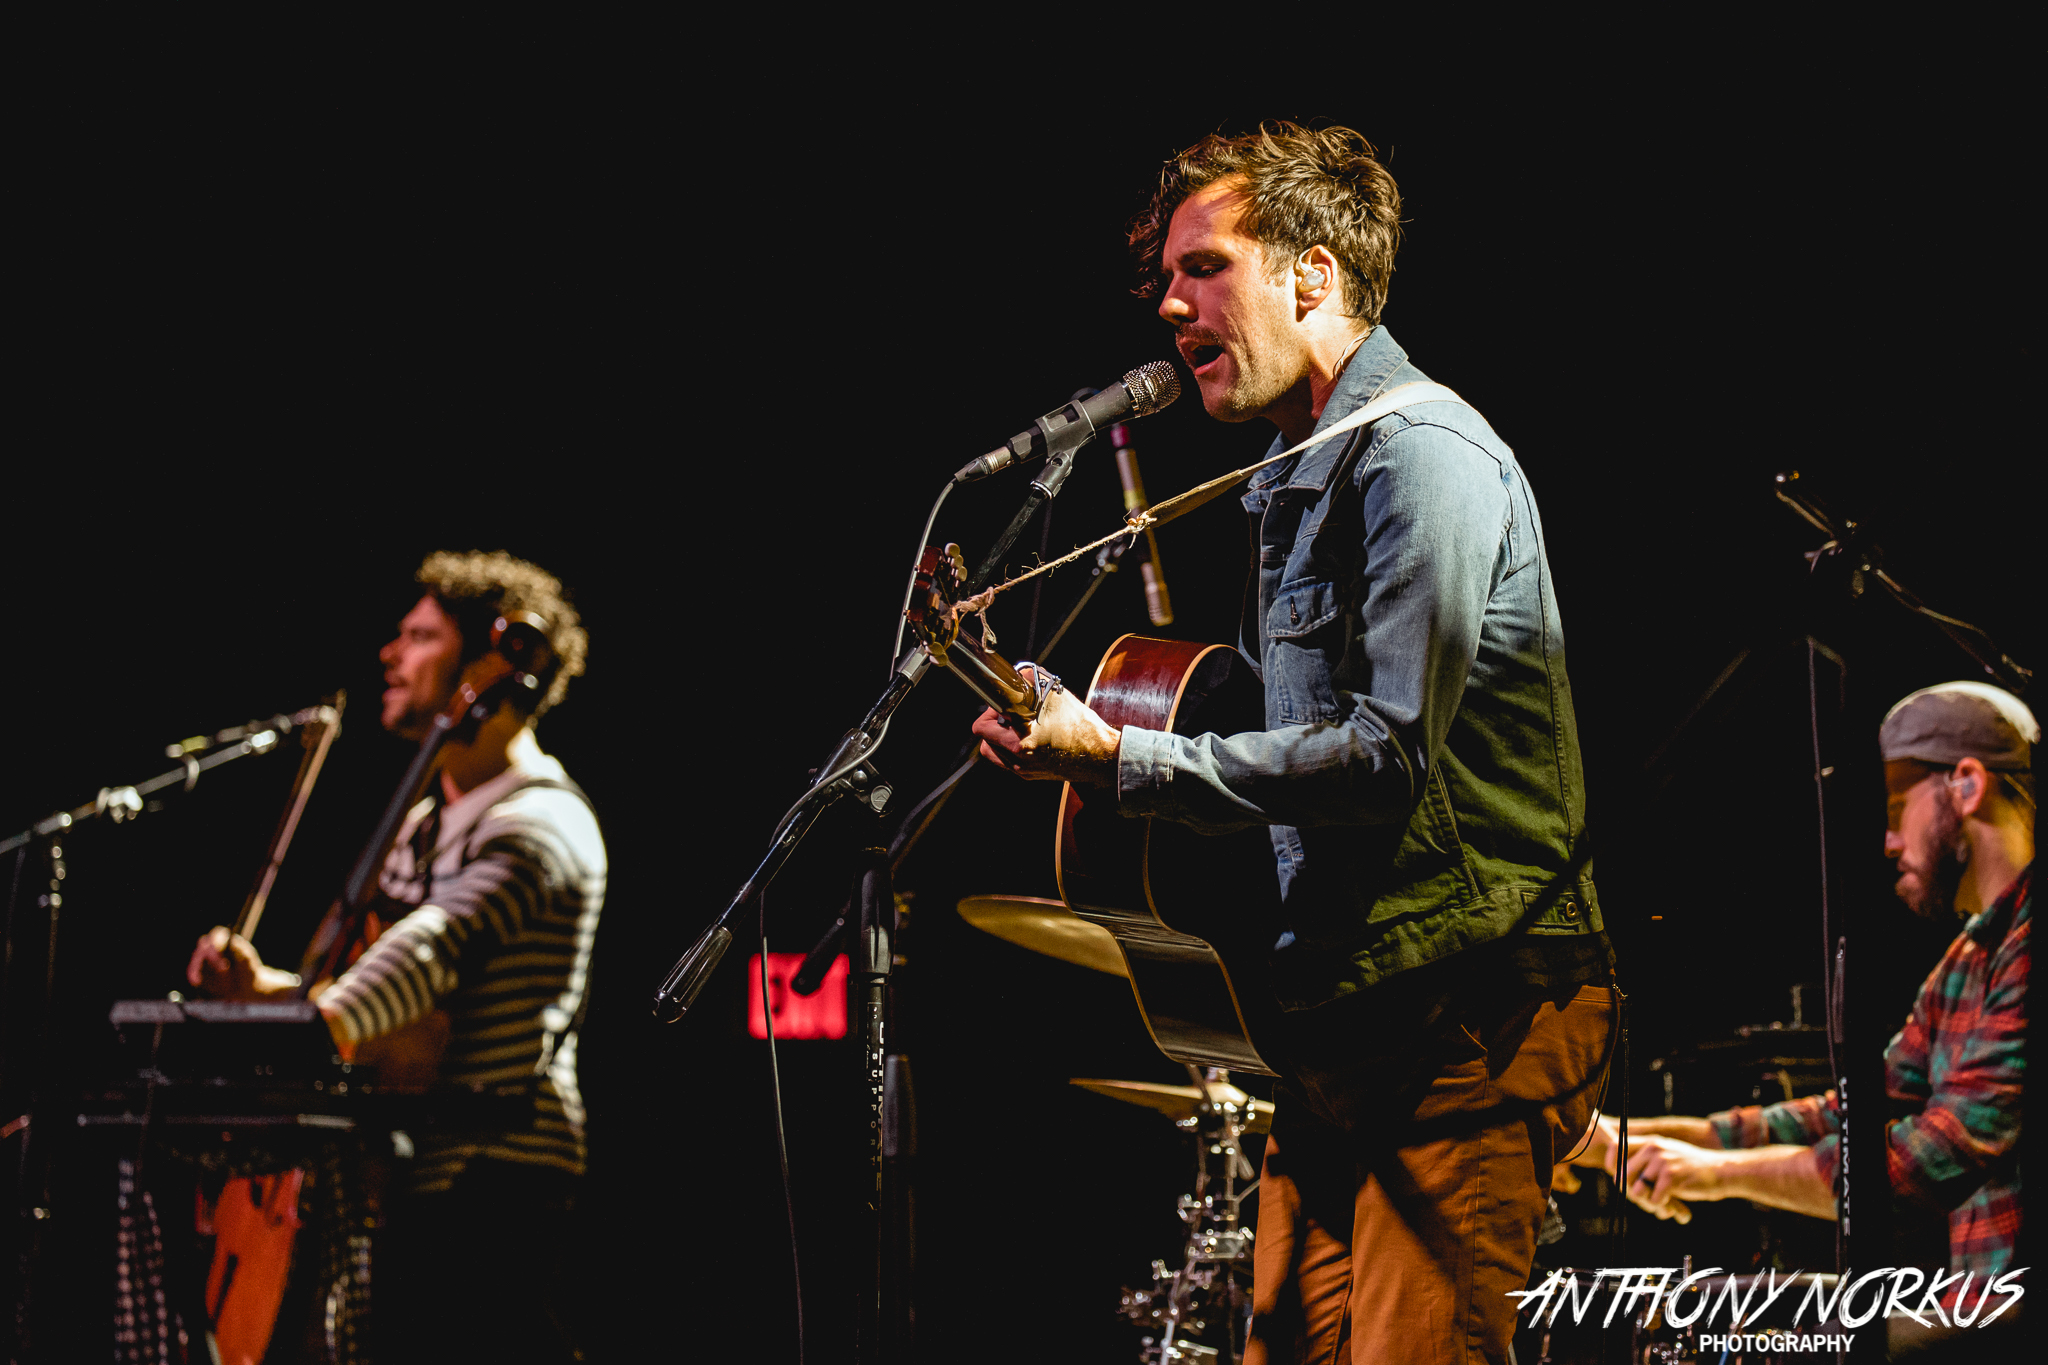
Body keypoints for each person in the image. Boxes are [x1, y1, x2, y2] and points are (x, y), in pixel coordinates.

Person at [972, 123, 1615, 1365]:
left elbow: (1379, 756)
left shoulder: (1419, 455)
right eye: (1167, 276)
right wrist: (1081, 716)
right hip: (1350, 1021)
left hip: (1470, 1011)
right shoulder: (1293, 470)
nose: (1170, 304)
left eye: (1204, 267)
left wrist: (1119, 762)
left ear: (1313, 274)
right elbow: (1283, 738)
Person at [187, 550, 603, 1363]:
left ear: (487, 661)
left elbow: (425, 957)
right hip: (419, 1164)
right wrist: (268, 989)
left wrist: (306, 1014)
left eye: (420, 637)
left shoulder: (539, 825)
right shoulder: (427, 822)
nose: (391, 653)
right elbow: (381, 989)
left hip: (496, 1172)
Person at [1571, 681, 2031, 1320]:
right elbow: (1853, 1113)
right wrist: (1617, 1140)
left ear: (1968, 785)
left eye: (1896, 809)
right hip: (1980, 1318)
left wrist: (1711, 1173)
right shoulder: (1969, 960)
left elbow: (1928, 1163)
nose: (1888, 841)